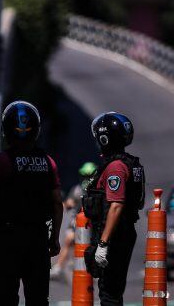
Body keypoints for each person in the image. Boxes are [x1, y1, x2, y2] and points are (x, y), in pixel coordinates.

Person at [0, 101, 63, 305]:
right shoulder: (47, 162)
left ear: (6, 129)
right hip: (39, 237)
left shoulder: (2, 161)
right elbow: (57, 202)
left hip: (9, 238)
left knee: (6, 296)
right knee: (38, 297)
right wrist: (54, 238)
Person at [82, 112, 145, 306]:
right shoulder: (127, 163)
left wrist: (103, 244)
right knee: (113, 291)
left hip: (114, 235)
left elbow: (116, 205)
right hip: (121, 232)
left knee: (109, 293)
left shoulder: (116, 167)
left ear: (105, 138)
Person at [51, 161, 97, 280]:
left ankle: (92, 268)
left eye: (89, 176)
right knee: (69, 240)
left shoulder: (98, 190)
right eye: (85, 176)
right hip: (77, 220)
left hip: (92, 222)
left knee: (92, 244)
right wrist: (67, 203)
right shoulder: (77, 189)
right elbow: (68, 203)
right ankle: (60, 267)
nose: (87, 179)